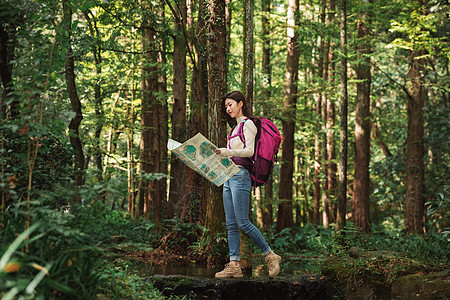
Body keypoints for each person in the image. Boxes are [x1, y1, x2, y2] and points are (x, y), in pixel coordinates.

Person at [214, 91, 281, 278]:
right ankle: (234, 265)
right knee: (231, 224)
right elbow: (233, 154)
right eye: (226, 106)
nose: (228, 109)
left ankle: (270, 255)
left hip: (241, 176)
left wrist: (226, 151)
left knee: (243, 221)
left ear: (240, 103)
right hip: (228, 176)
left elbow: (249, 151)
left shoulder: (248, 124)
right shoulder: (232, 129)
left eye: (230, 104)